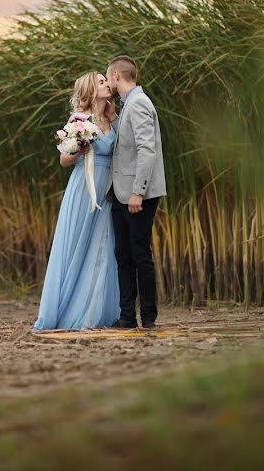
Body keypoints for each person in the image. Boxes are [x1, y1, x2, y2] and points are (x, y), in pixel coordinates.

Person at [33, 72, 120, 330]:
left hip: (108, 191)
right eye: (101, 82)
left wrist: (113, 117)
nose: (107, 84)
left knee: (102, 247)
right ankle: (69, 311)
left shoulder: (111, 118)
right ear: (91, 90)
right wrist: (79, 148)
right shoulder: (80, 120)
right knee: (79, 245)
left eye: (106, 80)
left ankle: (95, 311)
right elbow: (64, 160)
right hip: (85, 188)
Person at [106, 55, 166, 330]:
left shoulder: (140, 103)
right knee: (124, 255)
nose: (107, 82)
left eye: (108, 77)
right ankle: (127, 316)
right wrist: (114, 120)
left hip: (136, 195)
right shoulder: (128, 105)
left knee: (140, 254)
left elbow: (146, 150)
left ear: (117, 76)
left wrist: (137, 193)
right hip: (121, 193)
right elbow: (128, 142)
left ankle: (149, 318)